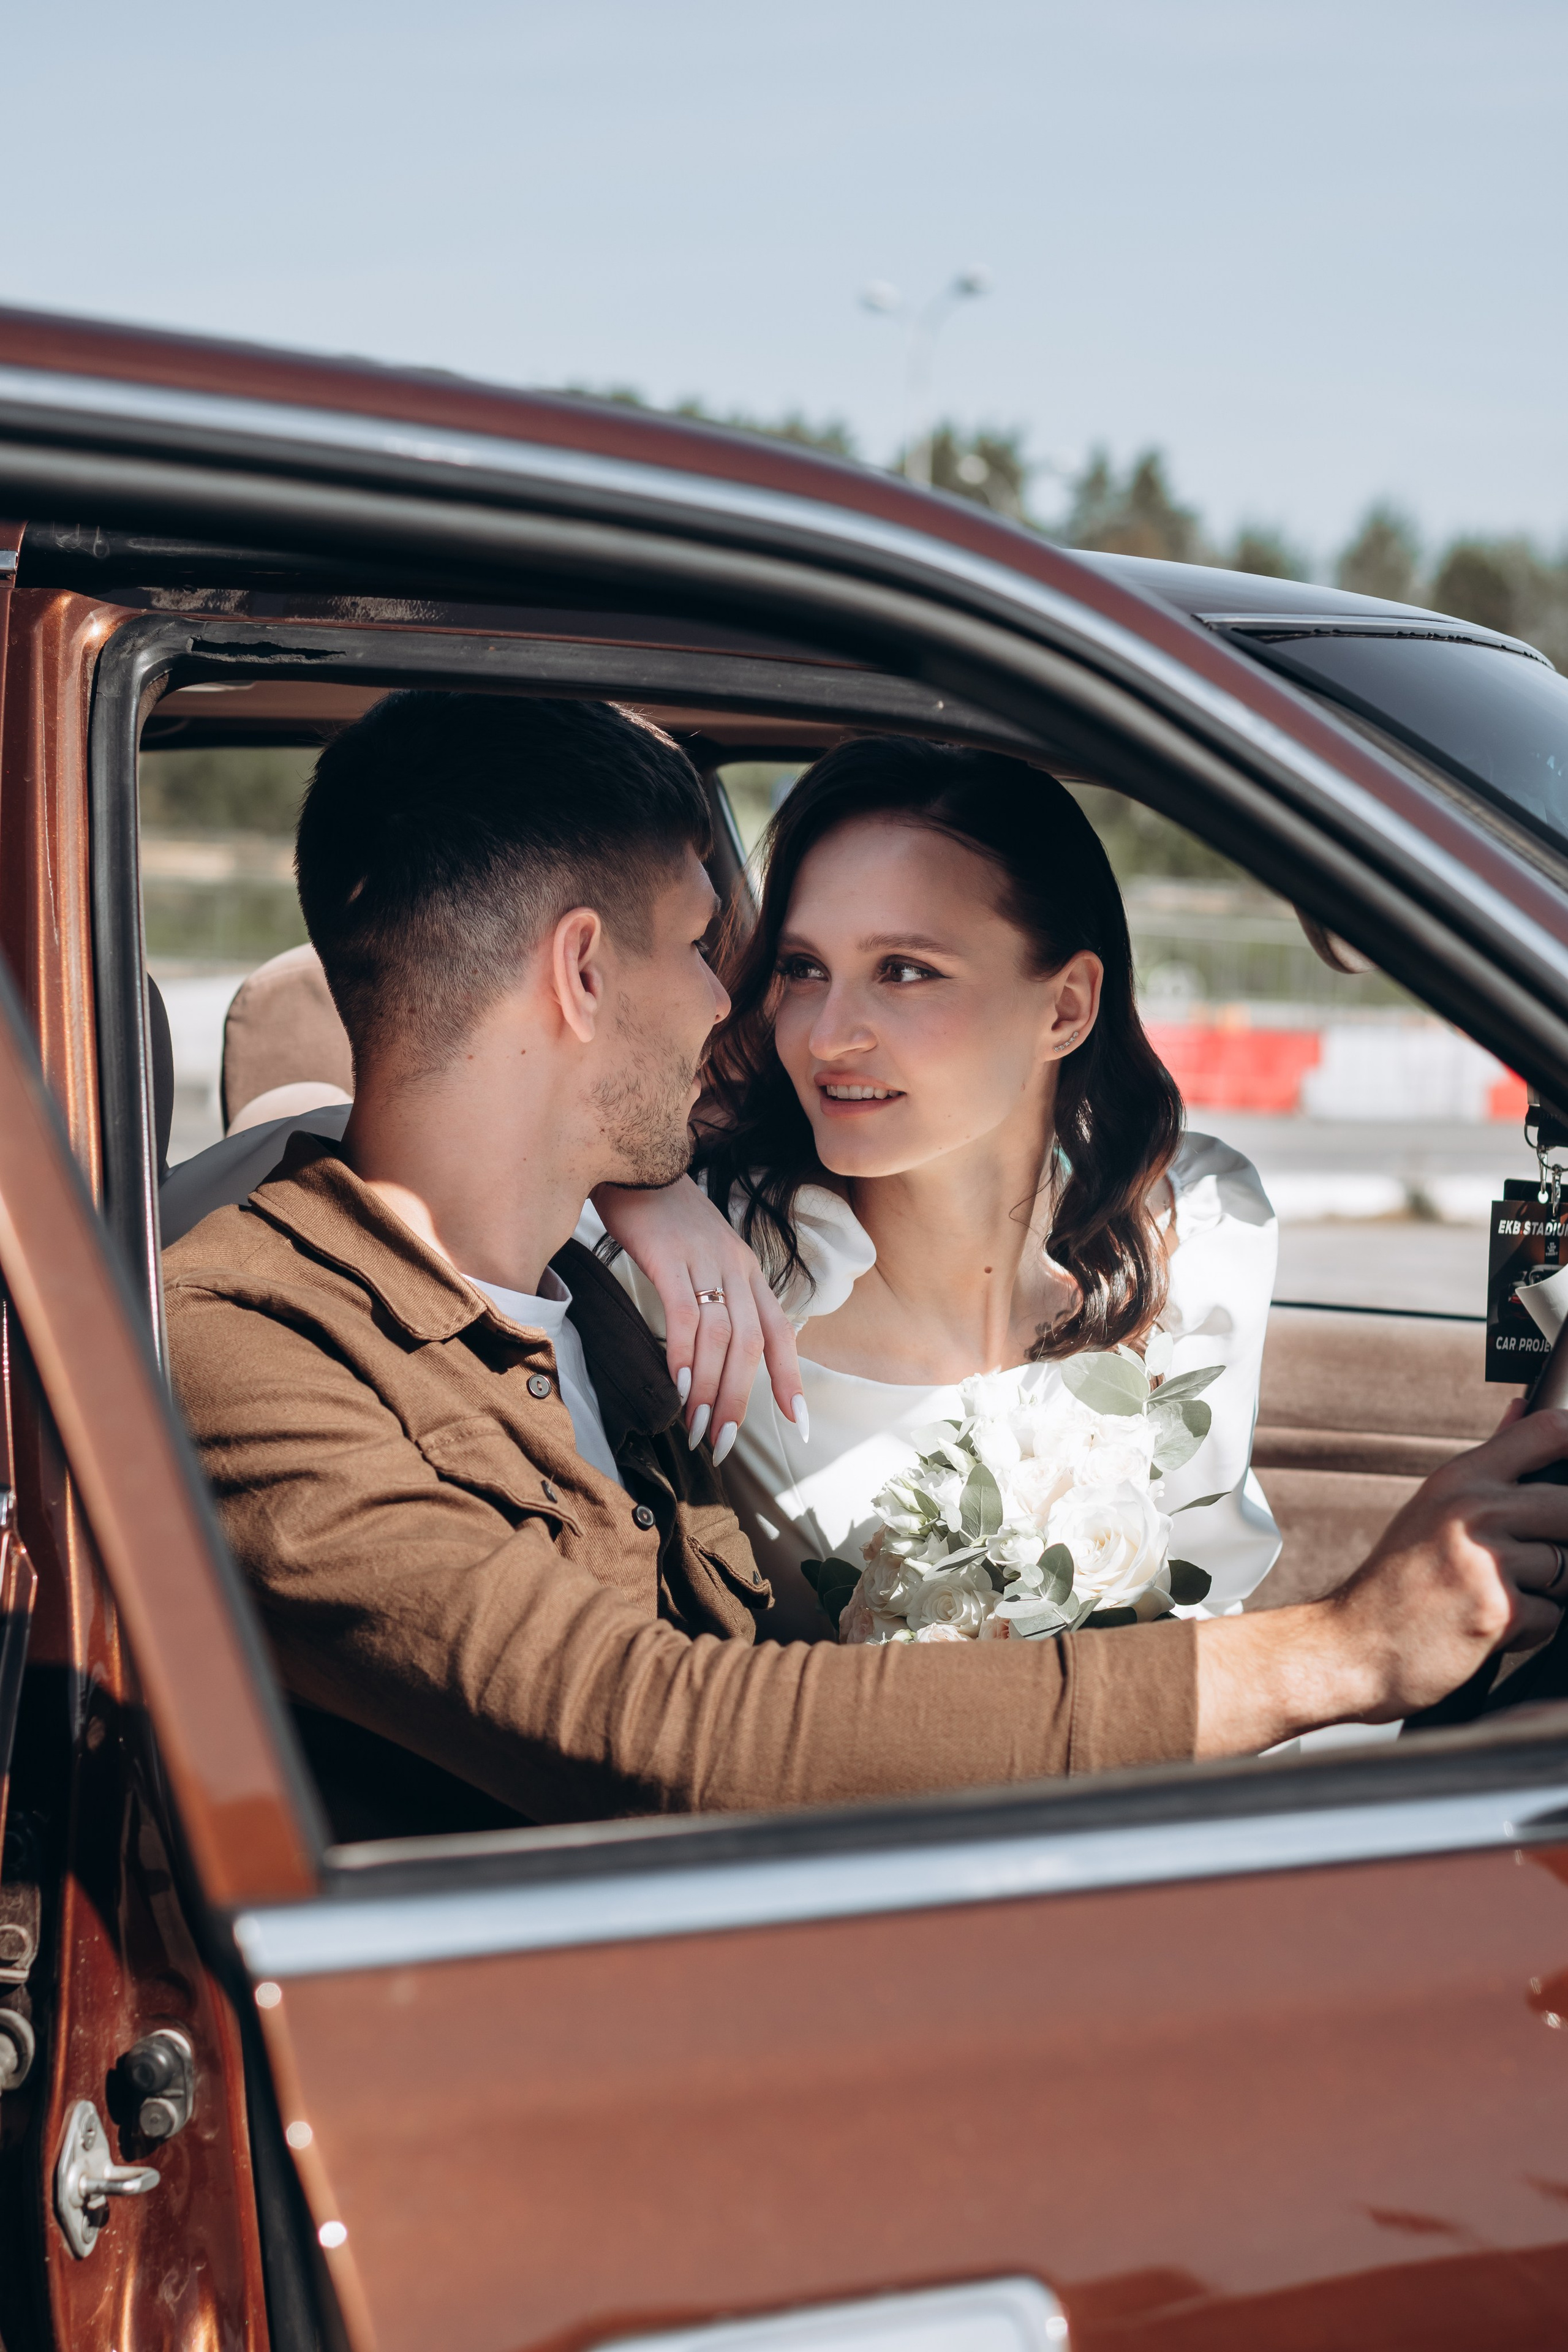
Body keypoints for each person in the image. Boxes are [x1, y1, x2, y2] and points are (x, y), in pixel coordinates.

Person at [162, 691, 1568, 1835]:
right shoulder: (251, 1345)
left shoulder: (578, 1284)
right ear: (582, 975)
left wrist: (638, 1186)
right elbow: (657, 1728)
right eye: (721, 953)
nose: (747, 1012)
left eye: (899, 970)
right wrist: (1337, 1652)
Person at [593, 737, 1279, 1641]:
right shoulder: (707, 1276)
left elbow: (1215, 1614)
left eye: (905, 971)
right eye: (803, 969)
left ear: (1065, 1008)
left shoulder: (1196, 1227)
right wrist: (634, 1184)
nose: (830, 1036)